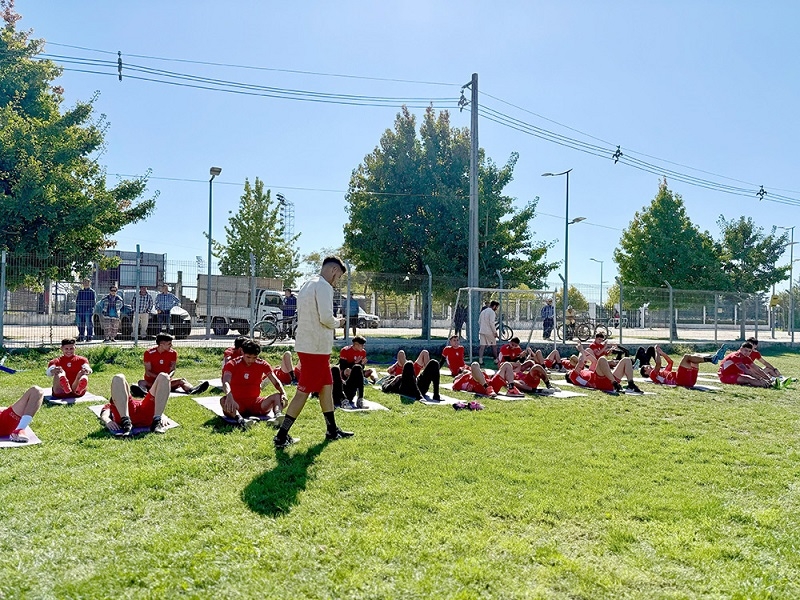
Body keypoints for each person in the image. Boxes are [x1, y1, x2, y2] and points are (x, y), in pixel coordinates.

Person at [274, 256, 353, 448]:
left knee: (327, 386)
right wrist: (339, 322)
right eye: (339, 277)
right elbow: (326, 318)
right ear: (334, 270)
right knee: (303, 392)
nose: (338, 281)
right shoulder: (325, 286)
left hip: (308, 346)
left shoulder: (307, 284)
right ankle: (281, 435)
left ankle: (332, 430)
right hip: (316, 349)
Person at [221, 339, 288, 428]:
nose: (251, 360)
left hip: (255, 402)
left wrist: (283, 393)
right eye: (248, 357)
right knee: (223, 400)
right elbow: (226, 381)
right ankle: (241, 421)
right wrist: (229, 396)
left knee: (278, 396)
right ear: (242, 353)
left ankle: (278, 416)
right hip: (237, 403)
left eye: (254, 357)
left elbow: (275, 381)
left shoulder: (262, 364)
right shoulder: (232, 364)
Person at [100, 372, 171, 435]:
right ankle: (126, 423)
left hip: (147, 415)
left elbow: (157, 405)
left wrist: (162, 416)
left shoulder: (142, 402)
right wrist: (108, 421)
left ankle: (156, 422)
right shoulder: (116, 404)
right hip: (125, 414)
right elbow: (105, 414)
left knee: (164, 376)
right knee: (118, 377)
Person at [137, 333, 207, 394]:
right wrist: (160, 378)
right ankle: (144, 392)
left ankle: (192, 390)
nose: (171, 345)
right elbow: (148, 372)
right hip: (152, 382)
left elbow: (173, 369)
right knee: (142, 382)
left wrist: (167, 377)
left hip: (167, 382)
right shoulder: (149, 353)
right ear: (161, 345)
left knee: (182, 381)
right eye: (169, 344)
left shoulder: (173, 353)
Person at [568, 343, 641, 393]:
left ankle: (631, 384)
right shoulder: (573, 377)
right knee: (602, 359)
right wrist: (581, 351)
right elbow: (580, 363)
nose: (571, 370)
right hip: (599, 382)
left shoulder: (585, 373)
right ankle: (615, 384)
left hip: (605, 379)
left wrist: (583, 351)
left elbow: (594, 361)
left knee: (626, 360)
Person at [641, 345, 725, 388]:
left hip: (690, 382)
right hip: (679, 380)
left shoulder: (661, 373)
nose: (649, 366)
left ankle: (714, 357)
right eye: (647, 367)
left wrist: (662, 353)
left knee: (696, 356)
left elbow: (670, 362)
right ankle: (711, 359)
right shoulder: (653, 375)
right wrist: (656, 351)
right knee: (687, 357)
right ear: (646, 372)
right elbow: (658, 363)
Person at [478, 300, 499, 365]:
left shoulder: (483, 312)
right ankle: (496, 359)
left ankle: (480, 360)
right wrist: (495, 332)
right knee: (494, 346)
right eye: (497, 307)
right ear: (494, 306)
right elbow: (491, 323)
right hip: (489, 332)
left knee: (482, 346)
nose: (497, 309)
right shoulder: (492, 312)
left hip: (482, 331)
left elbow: (479, 321)